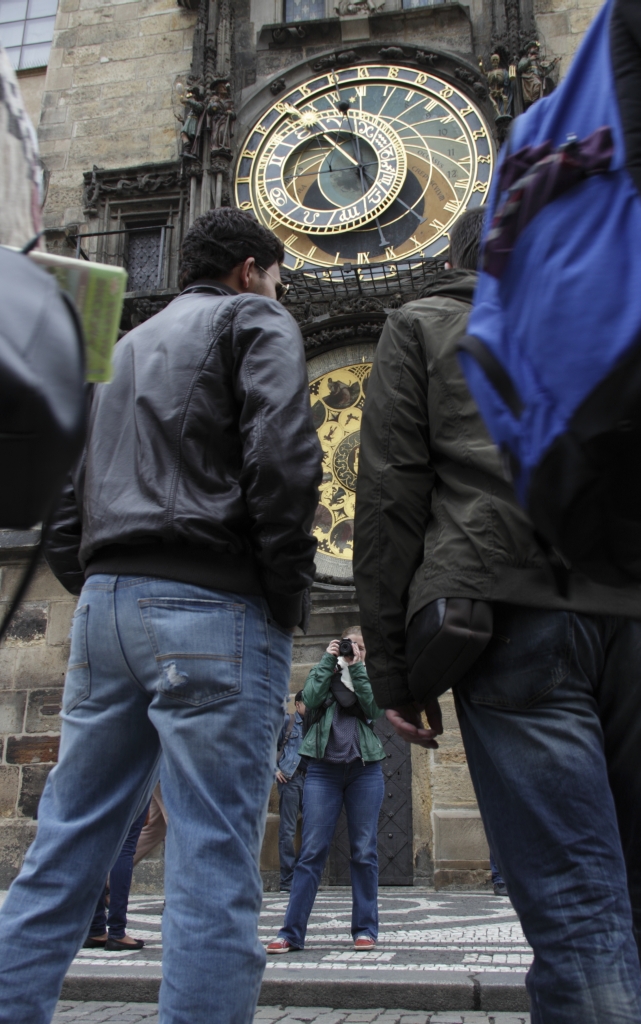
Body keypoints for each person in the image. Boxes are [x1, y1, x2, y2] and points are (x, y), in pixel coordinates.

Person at [353, 208, 641, 1024]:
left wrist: (393, 672)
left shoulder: (426, 322)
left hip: (511, 615)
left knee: (577, 908)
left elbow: (390, 503)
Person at [0, 208, 322, 1024]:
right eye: (277, 274)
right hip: (215, 603)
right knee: (213, 858)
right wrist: (282, 592)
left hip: (108, 606)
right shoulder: (255, 317)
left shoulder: (119, 347)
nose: (278, 288)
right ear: (252, 269)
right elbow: (282, 454)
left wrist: (100, 581)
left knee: (64, 845)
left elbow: (65, 503)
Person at [266, 627, 385, 954]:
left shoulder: (371, 675)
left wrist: (357, 668)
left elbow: (374, 710)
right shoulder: (326, 670)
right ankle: (290, 932)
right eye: (349, 644)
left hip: (365, 771)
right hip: (322, 771)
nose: (353, 649)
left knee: (363, 850)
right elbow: (308, 700)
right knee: (312, 851)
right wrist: (326, 661)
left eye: (360, 646)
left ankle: (365, 929)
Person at [85, 802, 150, 951]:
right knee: (125, 845)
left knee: (97, 844)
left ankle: (96, 928)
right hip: (133, 781)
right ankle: (117, 931)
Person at [275, 690, 308, 892]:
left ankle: (304, 877)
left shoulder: (316, 724)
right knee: (287, 831)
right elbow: (267, 745)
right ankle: (287, 880)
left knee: (313, 830)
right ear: (297, 705)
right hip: (291, 779)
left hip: (313, 780)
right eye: (308, 703)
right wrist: (275, 770)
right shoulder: (287, 722)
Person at [133, 784, 168, 867]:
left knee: (155, 829)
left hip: (157, 776)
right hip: (168, 777)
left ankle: (109, 872)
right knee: (177, 827)